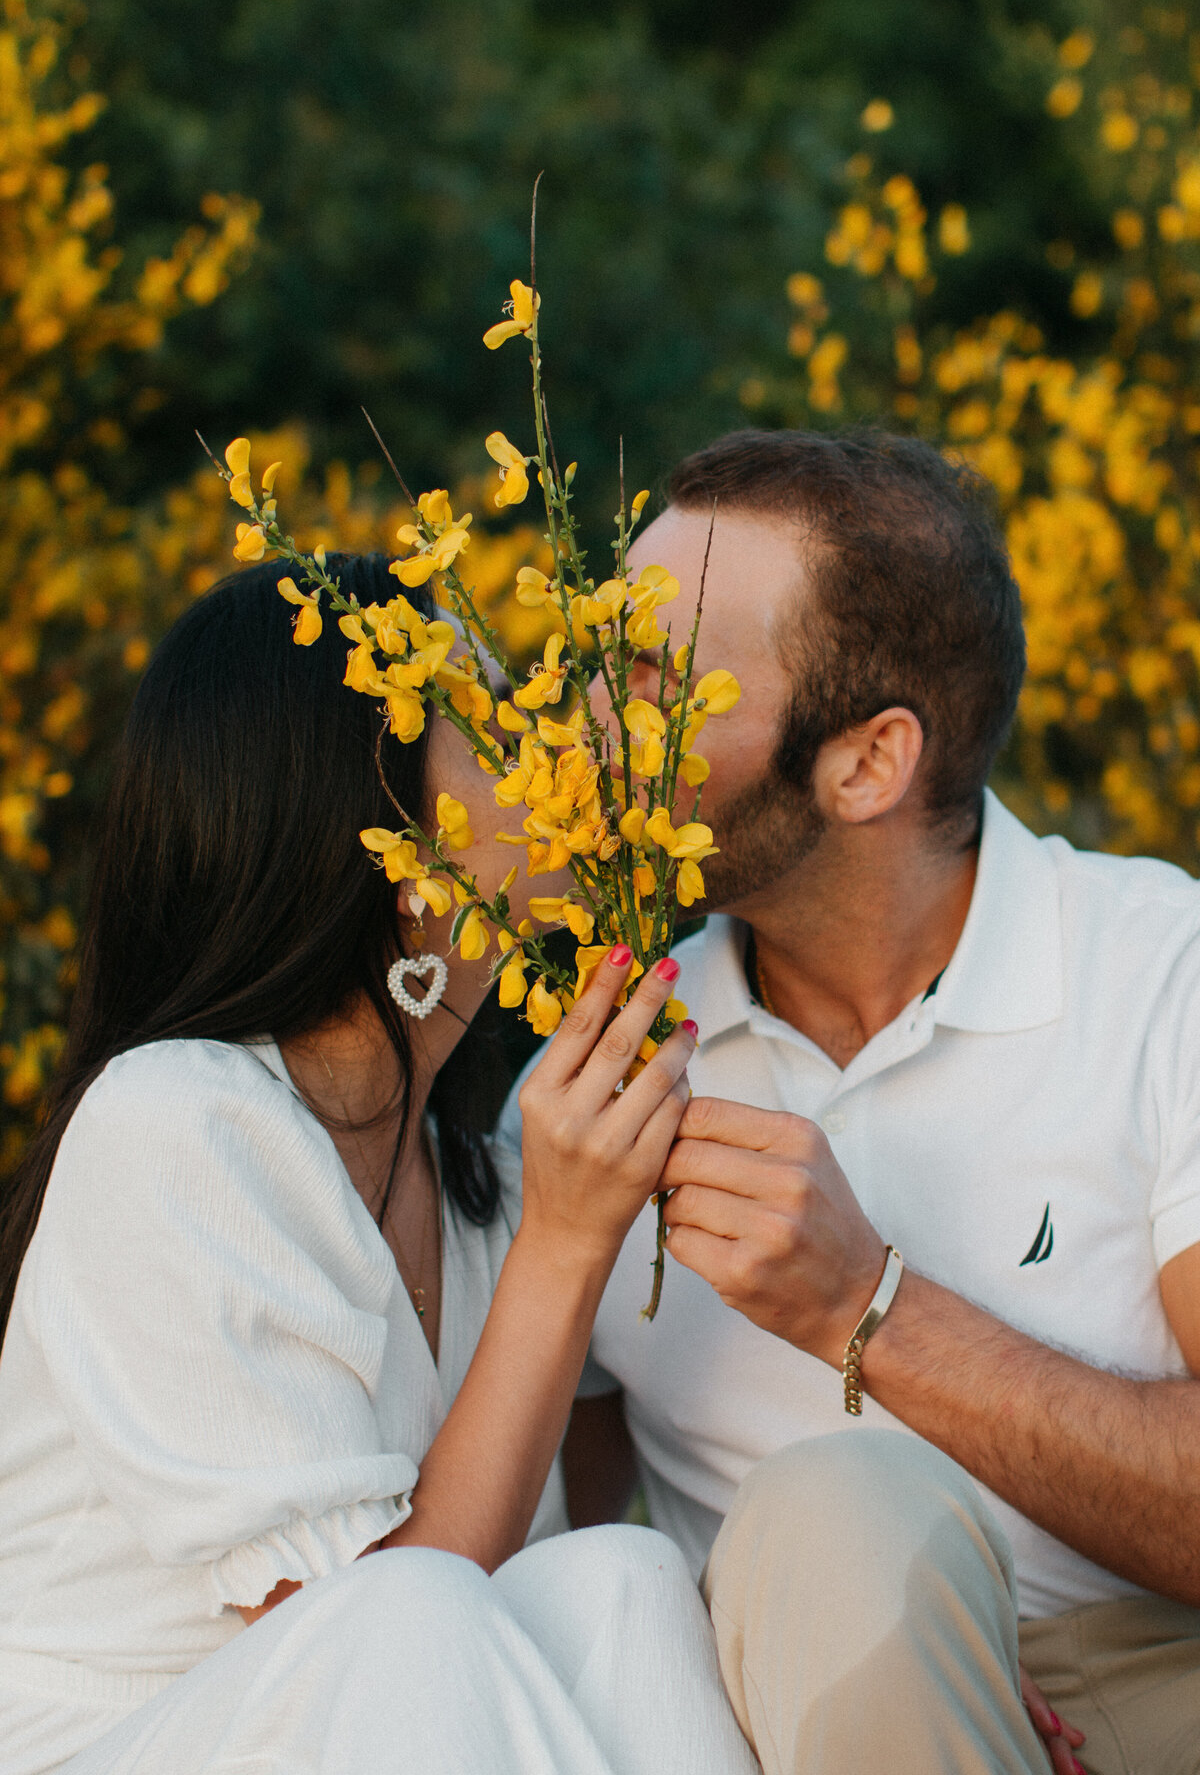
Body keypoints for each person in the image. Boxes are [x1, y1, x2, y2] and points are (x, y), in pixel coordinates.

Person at [500, 427, 1200, 1775]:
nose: (590, 714)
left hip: (1155, 1686)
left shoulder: (1161, 972)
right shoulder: (595, 1078)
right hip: (796, 1713)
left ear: (868, 764)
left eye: (654, 676)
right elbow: (562, 1571)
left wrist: (867, 1307)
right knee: (827, 1509)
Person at [0, 555, 759, 1775]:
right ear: (399, 856)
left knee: (620, 1576)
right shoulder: (171, 1124)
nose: (544, 748)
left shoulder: (477, 1184)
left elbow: (511, 1598)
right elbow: (371, 1642)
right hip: (115, 1741)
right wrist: (570, 1248)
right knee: (411, 1611)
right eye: (488, 724)